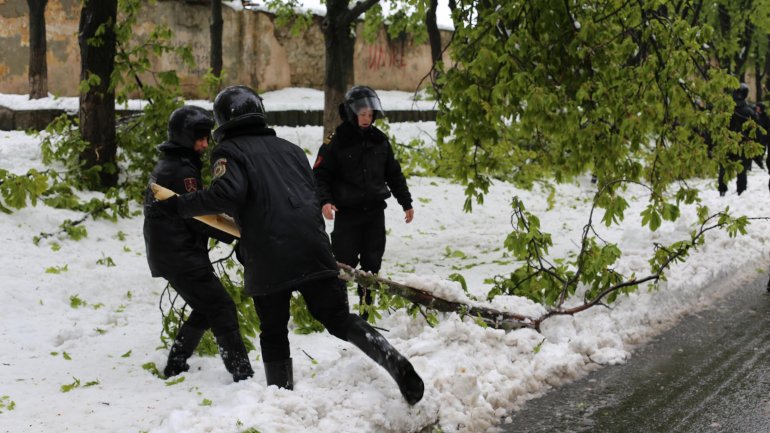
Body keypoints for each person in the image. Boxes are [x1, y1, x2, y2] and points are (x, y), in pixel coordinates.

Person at [150, 85, 424, 405]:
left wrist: (179, 206)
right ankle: (395, 361)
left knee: (274, 330)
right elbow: (308, 193)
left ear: (223, 120)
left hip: (270, 255)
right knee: (338, 318)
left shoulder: (229, 152)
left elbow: (226, 195)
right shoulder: (290, 148)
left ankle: (282, 399)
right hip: (314, 246)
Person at [143, 105, 254, 382]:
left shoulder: (172, 164)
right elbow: (198, 215)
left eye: (207, 137)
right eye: (200, 138)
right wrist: (236, 233)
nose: (205, 144)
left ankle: (176, 364)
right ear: (183, 137)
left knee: (206, 308)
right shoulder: (182, 172)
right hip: (180, 255)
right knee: (222, 307)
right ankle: (241, 373)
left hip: (171, 253)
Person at [312, 85, 414, 319]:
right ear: (351, 113)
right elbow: (319, 175)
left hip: (375, 213)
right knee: (342, 265)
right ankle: (339, 313)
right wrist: (325, 201)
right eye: (362, 114)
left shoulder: (380, 141)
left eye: (370, 114)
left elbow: (394, 174)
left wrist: (406, 202)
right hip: (347, 213)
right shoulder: (335, 142)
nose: (367, 119)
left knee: (371, 265)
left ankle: (366, 311)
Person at [718, 83, 756, 196]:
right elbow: (754, 131)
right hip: (740, 144)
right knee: (740, 169)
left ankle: (723, 190)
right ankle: (740, 190)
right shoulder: (748, 111)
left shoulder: (727, 110)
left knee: (726, 168)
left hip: (729, 143)